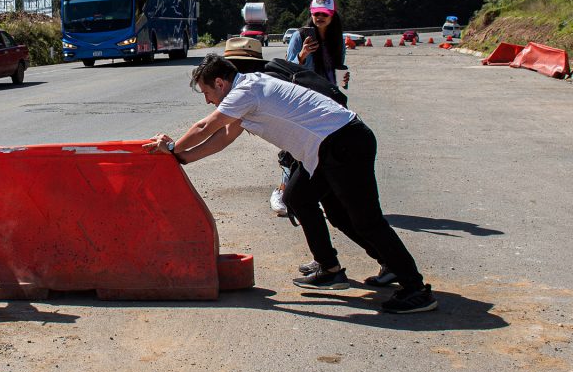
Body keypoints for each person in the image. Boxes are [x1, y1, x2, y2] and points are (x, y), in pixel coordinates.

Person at [144, 53, 437, 314]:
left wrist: (171, 149)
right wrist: (180, 157)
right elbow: (223, 138)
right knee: (300, 198)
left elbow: (206, 127)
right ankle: (331, 269)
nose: (209, 100)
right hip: (325, 150)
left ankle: (415, 288)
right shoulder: (249, 91)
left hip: (343, 142)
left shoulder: (245, 90)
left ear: (220, 83)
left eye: (207, 93)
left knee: (366, 220)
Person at [271, 0, 351, 216]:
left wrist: (343, 78)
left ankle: (323, 196)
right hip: (302, 99)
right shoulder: (300, 36)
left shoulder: (338, 39)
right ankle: (283, 190)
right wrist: (303, 54)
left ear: (332, 15)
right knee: (295, 146)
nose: (320, 17)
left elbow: (337, 70)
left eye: (325, 13)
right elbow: (286, 69)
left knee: (325, 149)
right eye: (316, 13)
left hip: (328, 100)